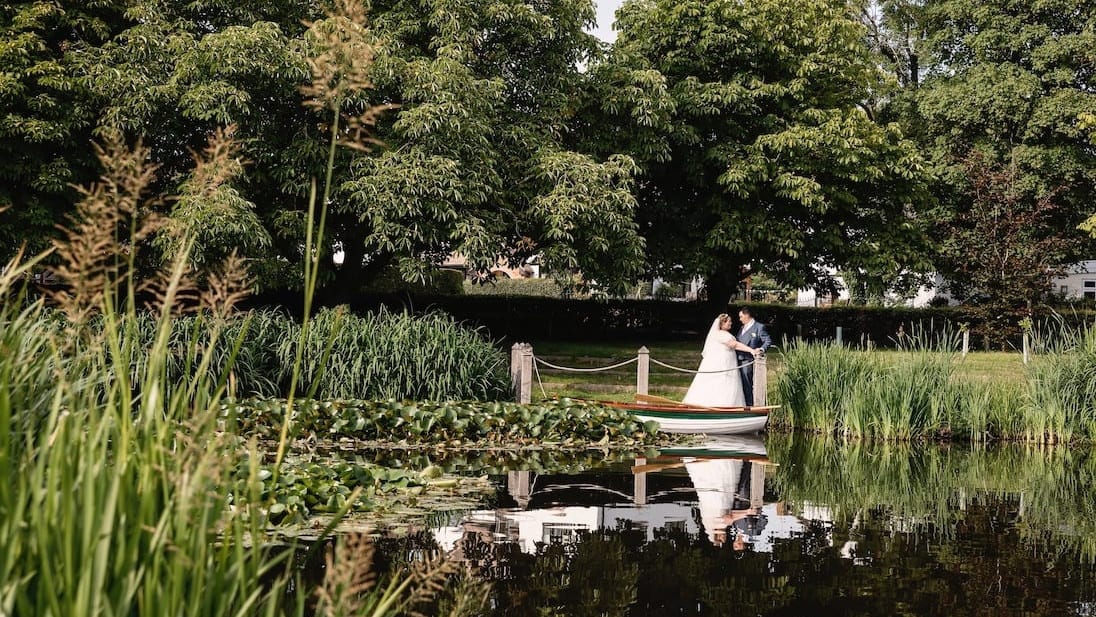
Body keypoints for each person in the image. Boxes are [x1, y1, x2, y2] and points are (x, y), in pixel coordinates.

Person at [683, 313, 760, 407]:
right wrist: (751, 350)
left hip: (727, 362)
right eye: (729, 322)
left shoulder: (722, 334)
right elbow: (735, 345)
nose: (731, 323)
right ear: (722, 323)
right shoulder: (721, 335)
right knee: (722, 382)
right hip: (723, 363)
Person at [735, 307, 772, 407]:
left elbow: (767, 341)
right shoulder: (742, 328)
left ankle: (749, 405)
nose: (740, 319)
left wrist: (761, 349)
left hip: (747, 360)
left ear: (747, 315)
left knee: (747, 384)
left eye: (741, 317)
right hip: (737, 358)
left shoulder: (759, 327)